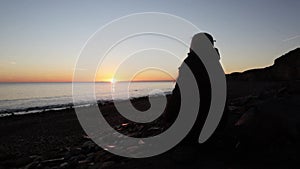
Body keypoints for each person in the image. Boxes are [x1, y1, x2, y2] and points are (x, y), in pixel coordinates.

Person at [164, 33, 219, 146]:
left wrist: (168, 116)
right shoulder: (214, 62)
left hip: (196, 124)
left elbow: (179, 94)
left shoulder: (191, 63)